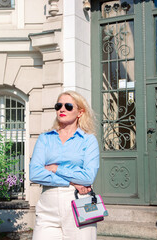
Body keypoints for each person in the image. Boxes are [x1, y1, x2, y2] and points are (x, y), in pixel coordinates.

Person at [29, 90, 100, 240]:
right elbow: (35, 173)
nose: (62, 109)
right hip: (48, 205)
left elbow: (88, 177)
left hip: (79, 201)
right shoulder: (45, 138)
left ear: (80, 112)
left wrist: (56, 168)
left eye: (68, 106)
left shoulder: (88, 140)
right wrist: (72, 181)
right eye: (58, 105)